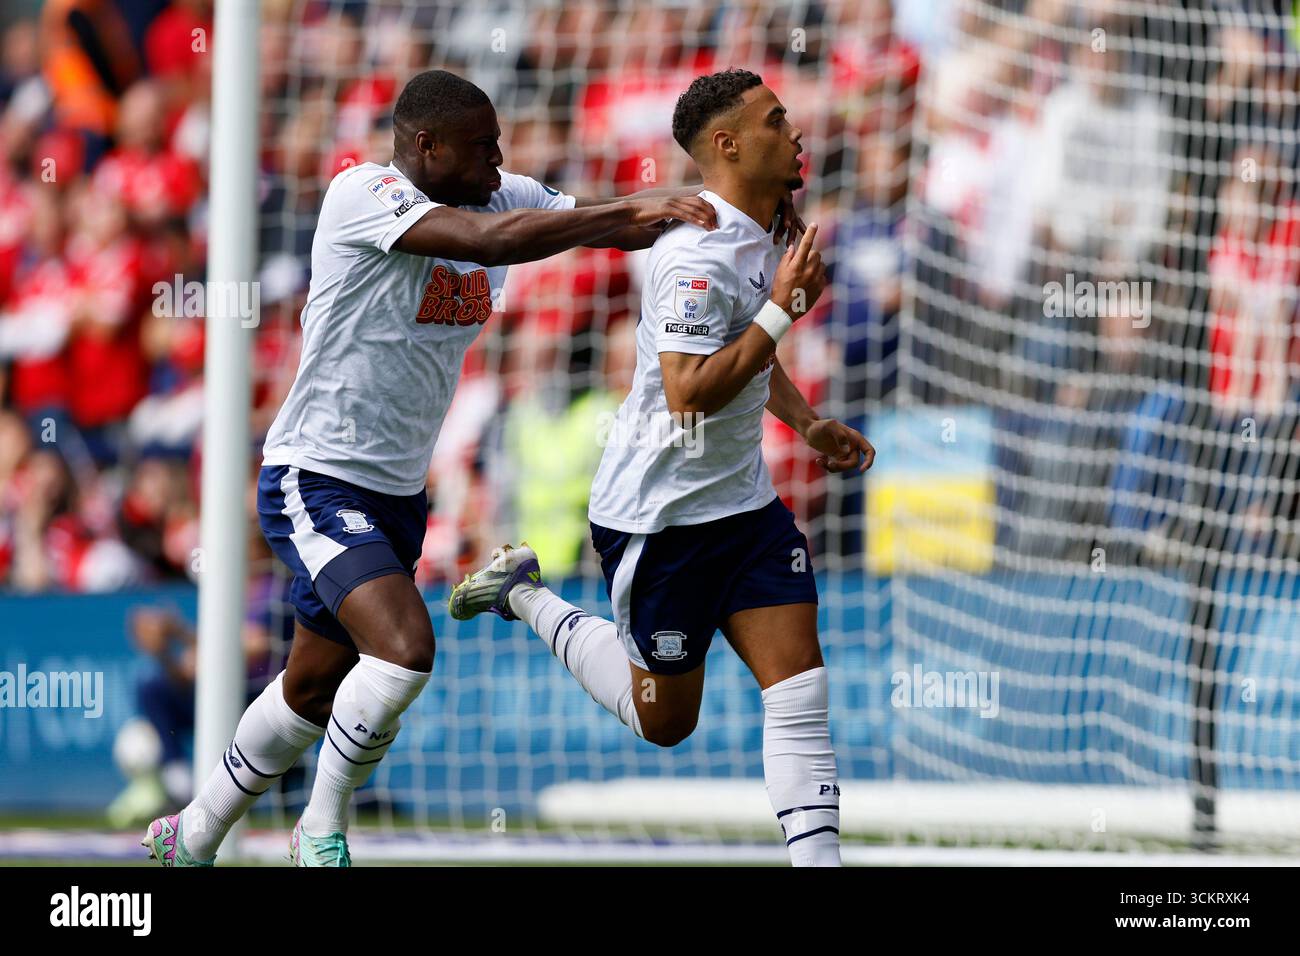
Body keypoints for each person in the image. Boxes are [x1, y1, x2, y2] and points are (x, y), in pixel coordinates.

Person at [142, 68, 783, 867]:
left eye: (500, 142)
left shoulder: (502, 194)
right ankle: (322, 827)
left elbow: (596, 225)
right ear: (425, 145)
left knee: (310, 688)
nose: (498, 157)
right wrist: (630, 208)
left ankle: (191, 835)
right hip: (317, 476)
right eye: (481, 146)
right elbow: (489, 244)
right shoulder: (361, 193)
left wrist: (723, 221)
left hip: (398, 493)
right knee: (406, 648)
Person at [450, 69, 874, 867]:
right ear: (728, 144)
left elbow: (747, 351)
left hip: (744, 509)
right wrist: (784, 309)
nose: (796, 133)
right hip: (657, 520)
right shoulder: (692, 256)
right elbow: (687, 394)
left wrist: (807, 421)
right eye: (777, 122)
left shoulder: (769, 231)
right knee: (664, 724)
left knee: (800, 690)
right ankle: (525, 594)